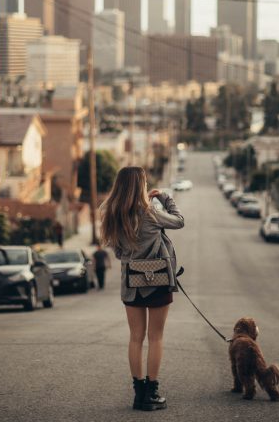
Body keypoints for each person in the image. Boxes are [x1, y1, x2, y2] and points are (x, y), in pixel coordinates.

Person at [100, 166, 184, 411]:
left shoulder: (113, 214)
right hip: (158, 281)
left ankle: (139, 395)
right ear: (141, 186)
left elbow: (117, 252)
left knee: (135, 338)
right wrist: (164, 197)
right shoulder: (151, 212)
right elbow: (179, 221)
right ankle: (152, 392)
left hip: (132, 283)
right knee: (155, 337)